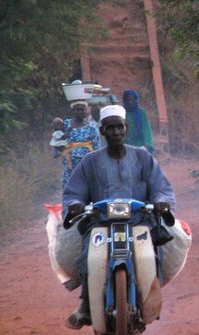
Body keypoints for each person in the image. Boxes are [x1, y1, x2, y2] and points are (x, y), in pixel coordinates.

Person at [62, 104, 176, 329]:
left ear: (127, 128)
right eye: (110, 128)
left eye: (119, 127)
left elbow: (161, 187)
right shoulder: (90, 161)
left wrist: (162, 201)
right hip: (100, 221)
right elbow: (74, 192)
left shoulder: (143, 157)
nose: (115, 132)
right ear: (102, 131)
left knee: (154, 255)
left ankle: (150, 297)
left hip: (140, 219)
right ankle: (86, 305)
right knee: (87, 256)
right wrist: (75, 205)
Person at [60, 100, 100, 189]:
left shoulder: (91, 127)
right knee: (70, 185)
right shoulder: (66, 124)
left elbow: (96, 146)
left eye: (82, 109)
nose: (79, 112)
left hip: (86, 160)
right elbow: (60, 140)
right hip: (70, 160)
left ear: (86, 111)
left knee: (86, 185)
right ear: (73, 111)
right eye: (77, 109)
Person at [123, 89, 155, 154]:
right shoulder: (121, 112)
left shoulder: (141, 113)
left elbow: (146, 130)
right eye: (128, 100)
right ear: (124, 101)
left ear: (136, 100)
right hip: (125, 147)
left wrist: (147, 145)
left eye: (132, 100)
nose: (130, 102)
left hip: (139, 146)